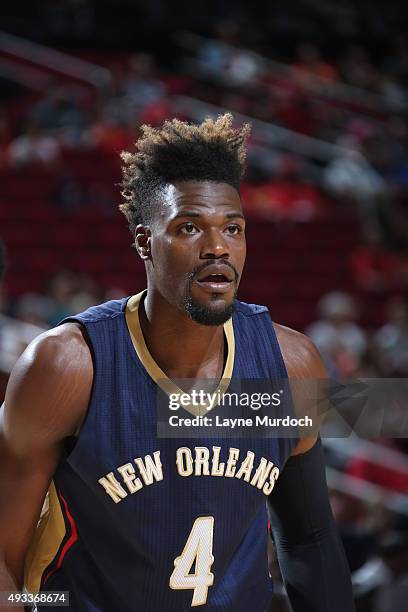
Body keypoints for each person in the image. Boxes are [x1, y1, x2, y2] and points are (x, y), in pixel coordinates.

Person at [0, 115, 354, 611]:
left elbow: (310, 539)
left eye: (233, 228)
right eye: (190, 228)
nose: (217, 247)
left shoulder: (290, 365)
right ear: (146, 242)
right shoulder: (68, 368)